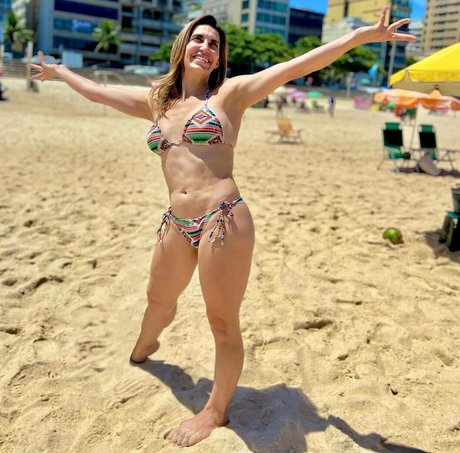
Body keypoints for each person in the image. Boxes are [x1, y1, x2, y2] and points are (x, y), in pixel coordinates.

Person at [29, 6, 415, 448]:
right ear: (183, 45)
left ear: (219, 57)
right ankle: (146, 346)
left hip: (223, 219)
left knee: (222, 322)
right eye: (199, 39)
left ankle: (216, 410)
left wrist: (358, 39)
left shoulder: (231, 94)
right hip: (176, 222)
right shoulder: (159, 102)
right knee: (158, 299)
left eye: (214, 44)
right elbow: (99, 92)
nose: (206, 47)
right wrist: (60, 71)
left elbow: (298, 65)